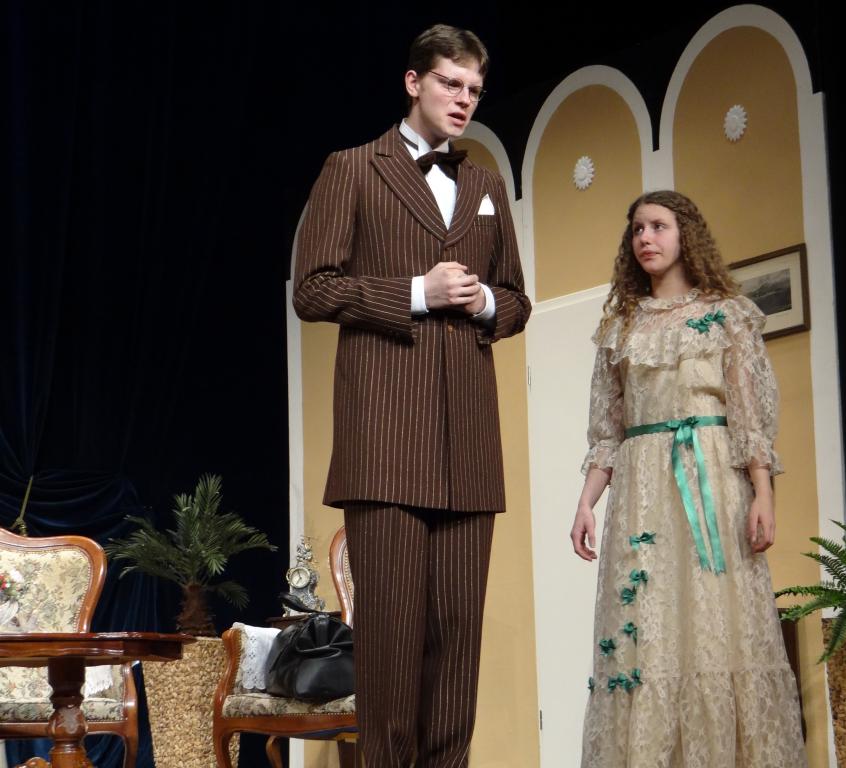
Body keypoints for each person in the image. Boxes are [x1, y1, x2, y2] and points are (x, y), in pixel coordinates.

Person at [292, 24, 530, 767]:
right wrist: (417, 293)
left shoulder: (486, 185)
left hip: (469, 451)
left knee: (457, 652)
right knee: (392, 653)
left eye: (474, 90)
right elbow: (312, 290)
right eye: (450, 83)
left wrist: (485, 302)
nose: (463, 100)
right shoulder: (352, 168)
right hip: (386, 445)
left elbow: (517, 300)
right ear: (413, 82)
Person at [570, 190, 807, 766]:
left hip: (712, 480)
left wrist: (763, 493)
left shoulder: (726, 314)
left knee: (715, 622)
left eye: (658, 226)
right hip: (642, 492)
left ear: (685, 235)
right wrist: (585, 503)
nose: (645, 238)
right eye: (637, 229)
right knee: (647, 629)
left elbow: (748, 416)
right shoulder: (621, 325)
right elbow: (607, 429)